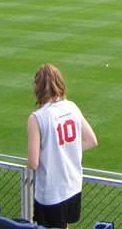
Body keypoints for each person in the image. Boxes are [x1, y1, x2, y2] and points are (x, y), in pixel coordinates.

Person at [27, 64, 97, 229]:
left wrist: (54, 152)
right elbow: (91, 140)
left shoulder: (37, 118)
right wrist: (64, 149)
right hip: (73, 186)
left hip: (51, 192)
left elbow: (33, 163)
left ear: (37, 86)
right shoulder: (71, 107)